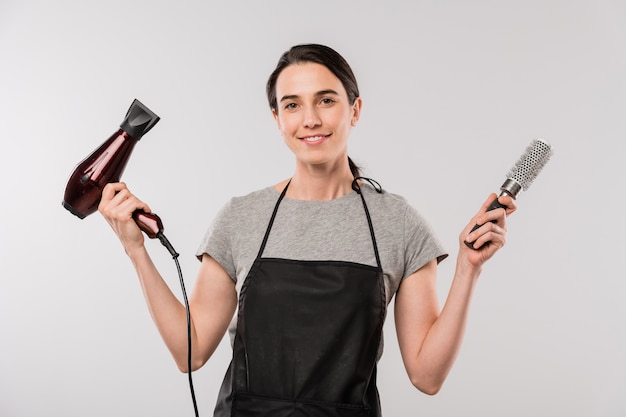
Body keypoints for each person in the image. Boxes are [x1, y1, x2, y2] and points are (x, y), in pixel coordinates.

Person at [99, 43, 516, 416]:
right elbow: (189, 353)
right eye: (293, 105)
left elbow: (427, 377)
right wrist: (136, 251)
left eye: (326, 100)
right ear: (277, 119)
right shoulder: (241, 217)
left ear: (355, 109)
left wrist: (468, 268)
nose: (311, 119)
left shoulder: (398, 223)